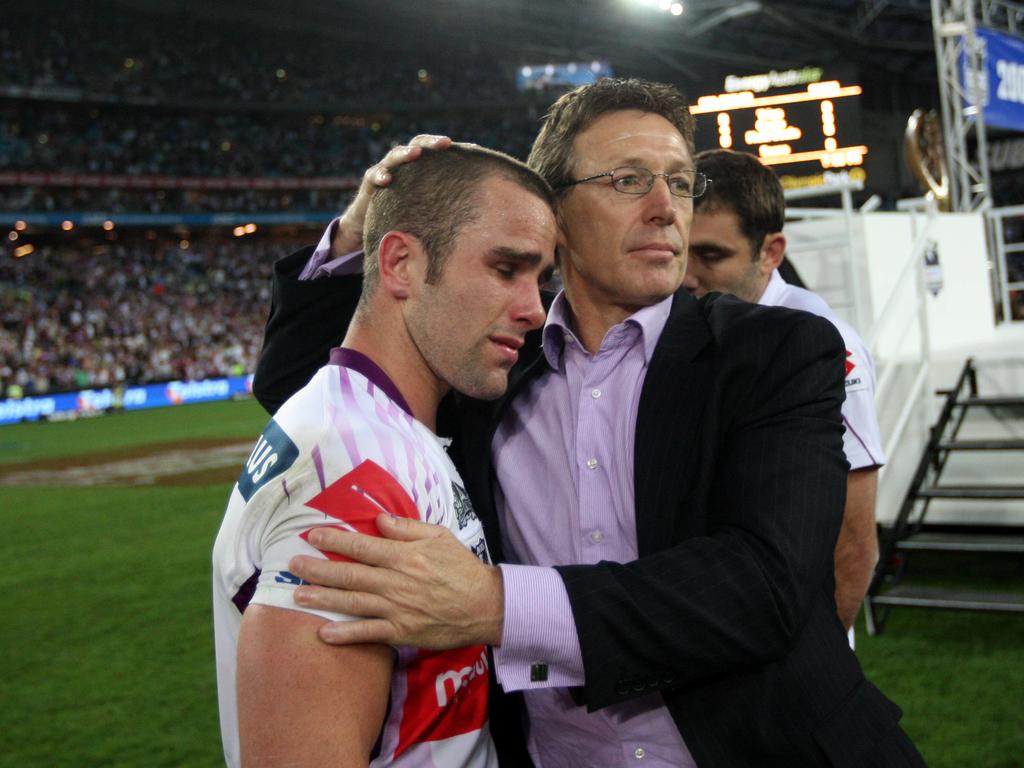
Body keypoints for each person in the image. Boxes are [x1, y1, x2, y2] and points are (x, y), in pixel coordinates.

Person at [255, 78, 925, 767]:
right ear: (555, 213)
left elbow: (764, 588)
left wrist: (496, 603)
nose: (667, 210)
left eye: (681, 183)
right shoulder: (490, 368)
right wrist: (358, 234)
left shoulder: (779, 352)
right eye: (629, 181)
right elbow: (308, 390)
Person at [212, 144, 557, 768]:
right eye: (507, 269)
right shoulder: (352, 469)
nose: (535, 309)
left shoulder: (378, 425)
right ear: (399, 262)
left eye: (541, 279)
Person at [685, 148, 884, 633]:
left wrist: (818, 664)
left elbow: (853, 543)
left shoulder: (827, 344)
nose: (687, 275)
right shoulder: (693, 323)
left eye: (711, 255)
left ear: (771, 253)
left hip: (795, 652)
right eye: (680, 250)